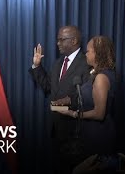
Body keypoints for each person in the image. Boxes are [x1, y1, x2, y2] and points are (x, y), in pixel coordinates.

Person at [29, 25, 90, 174]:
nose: (58, 43)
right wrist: (37, 66)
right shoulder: (58, 63)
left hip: (76, 132)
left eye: (61, 40)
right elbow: (49, 87)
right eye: (58, 40)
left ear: (74, 40)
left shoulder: (86, 63)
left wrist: (59, 106)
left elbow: (85, 97)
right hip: (57, 131)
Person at [52, 36, 117, 173]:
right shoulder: (96, 74)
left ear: (97, 54)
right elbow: (83, 95)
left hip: (98, 136)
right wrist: (65, 101)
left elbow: (99, 114)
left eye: (88, 51)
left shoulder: (101, 78)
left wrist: (73, 114)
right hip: (88, 135)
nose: (85, 54)